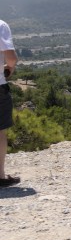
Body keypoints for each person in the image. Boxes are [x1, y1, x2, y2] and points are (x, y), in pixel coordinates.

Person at [0, 19, 19, 187]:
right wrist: (9, 68)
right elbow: (11, 58)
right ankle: (0, 175)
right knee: (0, 132)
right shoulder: (1, 25)